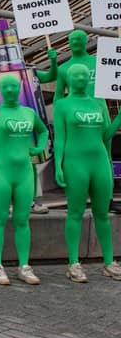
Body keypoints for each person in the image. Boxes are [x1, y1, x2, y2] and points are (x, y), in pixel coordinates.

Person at [0, 75, 48, 286]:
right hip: (0, 173)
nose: (11, 90)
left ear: (20, 88)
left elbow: (43, 131)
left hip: (24, 173)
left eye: (14, 86)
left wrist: (40, 147)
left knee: (23, 220)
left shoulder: (29, 112)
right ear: (0, 90)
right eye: (6, 87)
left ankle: (24, 266)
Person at [53, 64, 121, 282]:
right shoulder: (62, 105)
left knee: (103, 214)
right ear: (69, 79)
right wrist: (58, 165)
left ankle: (110, 262)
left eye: (84, 75)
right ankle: (73, 263)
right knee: (75, 212)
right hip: (75, 163)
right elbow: (60, 138)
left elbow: (106, 134)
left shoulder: (99, 102)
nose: (81, 78)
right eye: (76, 75)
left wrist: (119, 118)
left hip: (99, 162)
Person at [54, 29, 121, 214]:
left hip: (99, 111)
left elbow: (114, 78)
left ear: (87, 41)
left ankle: (107, 199)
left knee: (105, 155)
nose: (75, 42)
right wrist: (60, 114)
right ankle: (77, 196)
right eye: (71, 39)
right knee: (74, 155)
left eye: (79, 39)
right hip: (75, 116)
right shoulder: (63, 69)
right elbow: (59, 95)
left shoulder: (99, 63)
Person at [29, 48, 58, 214]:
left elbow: (50, 76)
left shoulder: (28, 72)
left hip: (29, 122)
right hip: (3, 125)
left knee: (31, 164)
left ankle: (32, 200)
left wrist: (53, 61)